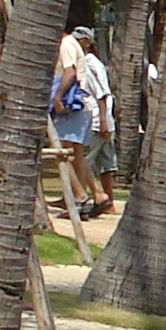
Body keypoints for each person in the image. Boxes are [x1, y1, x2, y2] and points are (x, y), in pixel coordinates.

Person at [49, 30, 105, 218]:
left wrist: (58, 97)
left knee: (61, 153)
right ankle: (82, 199)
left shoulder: (66, 44)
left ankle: (80, 196)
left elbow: (70, 72)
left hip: (72, 106)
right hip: (84, 105)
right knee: (77, 154)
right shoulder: (74, 45)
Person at [77, 29, 118, 210]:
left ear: (87, 42)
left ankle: (90, 196)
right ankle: (109, 202)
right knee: (106, 163)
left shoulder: (88, 63)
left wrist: (102, 120)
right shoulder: (92, 62)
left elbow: (102, 93)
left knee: (82, 160)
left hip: (95, 120)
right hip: (104, 119)